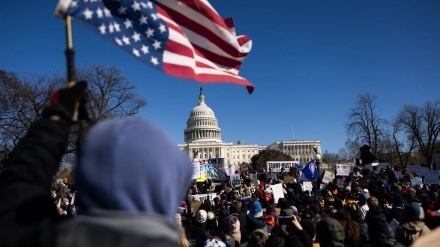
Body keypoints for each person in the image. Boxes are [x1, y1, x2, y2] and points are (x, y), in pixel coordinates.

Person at [0, 82, 194, 247]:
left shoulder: (40, 239)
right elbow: (20, 185)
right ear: (171, 188)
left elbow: (19, 186)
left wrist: (56, 117)